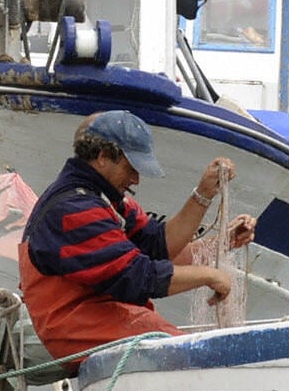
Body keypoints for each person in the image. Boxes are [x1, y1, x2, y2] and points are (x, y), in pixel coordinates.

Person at [19, 110, 255, 369]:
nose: (137, 179)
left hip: (105, 323)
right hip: (81, 334)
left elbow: (157, 245)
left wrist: (208, 202)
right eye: (131, 168)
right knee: (198, 359)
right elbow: (136, 277)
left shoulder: (102, 200)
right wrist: (209, 275)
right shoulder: (75, 210)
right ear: (102, 157)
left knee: (186, 350)